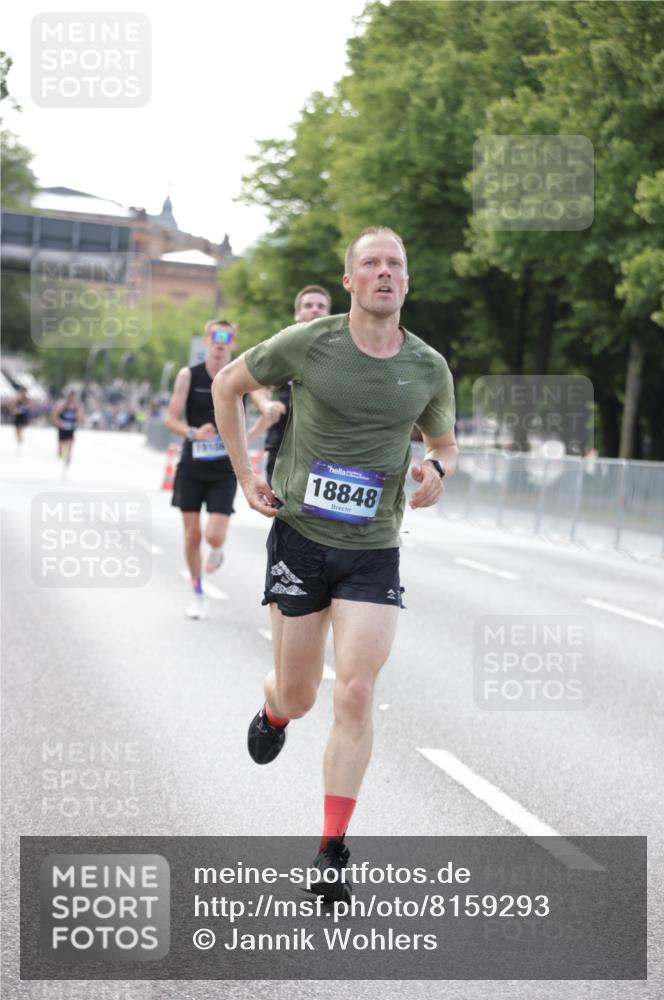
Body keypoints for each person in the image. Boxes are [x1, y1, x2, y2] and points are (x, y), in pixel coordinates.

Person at [213, 226, 457, 902]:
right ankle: (275, 711)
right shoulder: (309, 344)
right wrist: (243, 471)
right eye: (370, 264)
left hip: (373, 545)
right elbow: (228, 384)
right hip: (300, 537)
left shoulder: (428, 367)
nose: (384, 273)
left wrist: (436, 466)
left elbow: (443, 440)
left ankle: (330, 850)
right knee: (301, 692)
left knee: (354, 691)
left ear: (407, 282)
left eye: (395, 265)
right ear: (349, 281)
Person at [165, 319, 239, 620]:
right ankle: (197, 593)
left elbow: (259, 397)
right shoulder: (188, 375)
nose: (220, 342)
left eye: (227, 338)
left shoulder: (237, 375)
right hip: (193, 463)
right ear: (206, 341)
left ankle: (218, 548)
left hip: (224, 467)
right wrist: (195, 432)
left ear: (233, 343)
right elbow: (171, 418)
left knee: (214, 536)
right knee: (193, 535)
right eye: (215, 337)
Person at [249, 285, 331, 482]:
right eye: (308, 305)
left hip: (326, 450)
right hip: (283, 449)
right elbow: (256, 384)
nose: (315, 309)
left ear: (328, 314)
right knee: (281, 511)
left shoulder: (341, 351)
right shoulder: (283, 348)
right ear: (297, 313)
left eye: (321, 306)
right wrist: (265, 404)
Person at [50, 389, 80, 476]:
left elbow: (80, 418)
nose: (72, 398)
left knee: (70, 448)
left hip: (70, 430)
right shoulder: (61, 405)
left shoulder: (76, 407)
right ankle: (61, 454)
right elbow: (53, 416)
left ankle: (66, 468)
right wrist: (60, 424)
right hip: (62, 430)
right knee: (60, 451)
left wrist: (76, 424)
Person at [10, 386, 31, 451]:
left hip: (23, 416)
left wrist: (25, 409)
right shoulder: (17, 398)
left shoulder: (27, 399)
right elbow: (12, 406)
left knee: (21, 428)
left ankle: (20, 439)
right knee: (17, 430)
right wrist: (15, 411)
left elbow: (30, 406)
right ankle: (19, 438)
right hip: (17, 416)